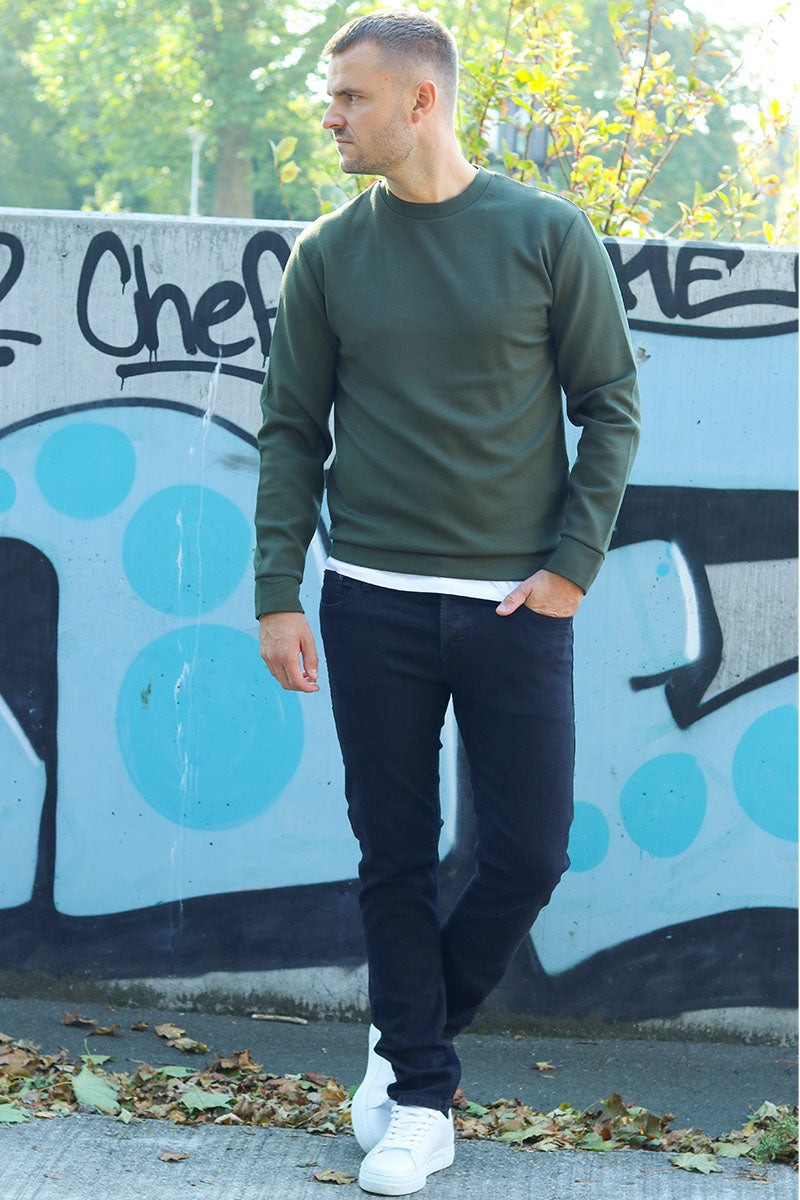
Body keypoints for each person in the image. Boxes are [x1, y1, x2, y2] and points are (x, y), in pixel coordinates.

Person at [254, 9, 640, 1195]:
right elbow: (290, 431)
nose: (330, 116)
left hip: (514, 609)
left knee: (527, 855)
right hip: (369, 601)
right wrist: (276, 592)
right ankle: (421, 1098)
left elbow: (609, 404)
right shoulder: (329, 252)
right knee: (393, 856)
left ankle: (402, 1033)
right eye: (330, 96)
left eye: (350, 97)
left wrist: (571, 567)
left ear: (421, 101)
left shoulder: (543, 234)